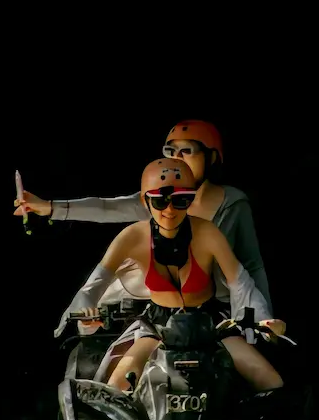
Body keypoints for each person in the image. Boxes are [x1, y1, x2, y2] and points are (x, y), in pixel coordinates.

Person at [54, 159, 283, 393]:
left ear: (192, 199)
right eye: (160, 201)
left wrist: (261, 319)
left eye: (181, 200)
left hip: (210, 322)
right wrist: (86, 313)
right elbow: (94, 285)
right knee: (116, 387)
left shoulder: (208, 232)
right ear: (145, 201)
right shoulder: (132, 237)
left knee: (268, 379)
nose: (170, 211)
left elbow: (240, 282)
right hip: (157, 325)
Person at [16, 119, 271, 315]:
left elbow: (252, 265)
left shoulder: (233, 205)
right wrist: (50, 207)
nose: (177, 160)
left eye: (187, 151)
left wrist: (263, 318)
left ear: (212, 157)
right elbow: (108, 208)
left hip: (215, 306)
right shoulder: (157, 199)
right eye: (171, 151)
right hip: (156, 303)